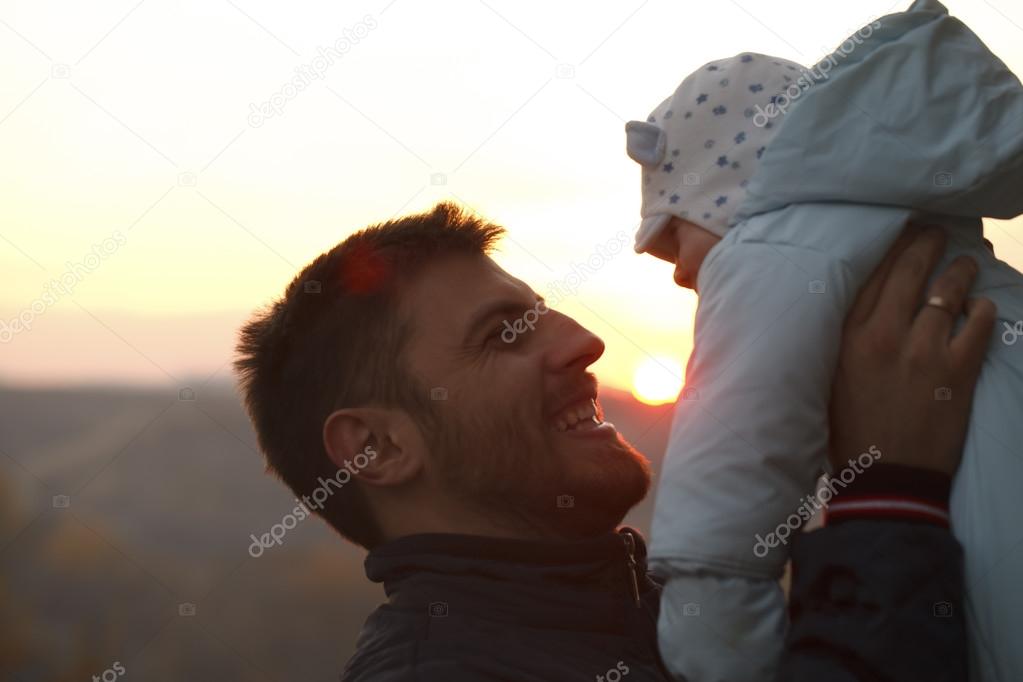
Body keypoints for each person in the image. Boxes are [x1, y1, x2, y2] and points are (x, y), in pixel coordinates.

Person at [233, 203, 992, 681]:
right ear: (376, 449)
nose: (585, 343)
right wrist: (889, 496)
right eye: (503, 336)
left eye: (545, 314)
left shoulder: (666, 613)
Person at [624, 1, 1023, 679]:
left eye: (676, 237)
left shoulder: (771, 248)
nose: (682, 273)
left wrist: (713, 639)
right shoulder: (960, 259)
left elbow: (732, 466)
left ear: (729, 196)